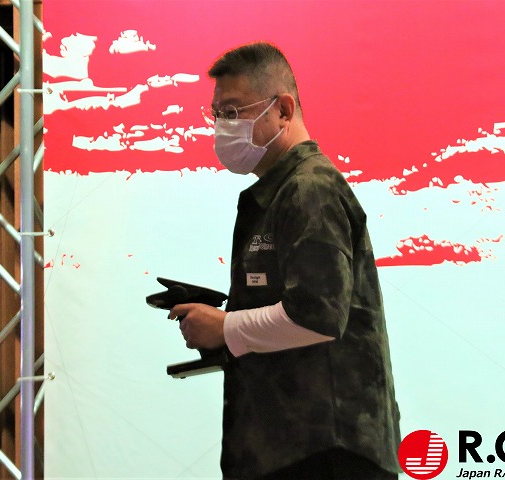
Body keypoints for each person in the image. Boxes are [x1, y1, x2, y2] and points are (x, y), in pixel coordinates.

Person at [169, 42, 401, 480]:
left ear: (283, 110)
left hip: (325, 452)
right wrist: (221, 329)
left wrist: (225, 327)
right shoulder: (278, 194)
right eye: (216, 114)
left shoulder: (310, 189)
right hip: (287, 447)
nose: (222, 126)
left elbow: (317, 315)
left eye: (233, 111)